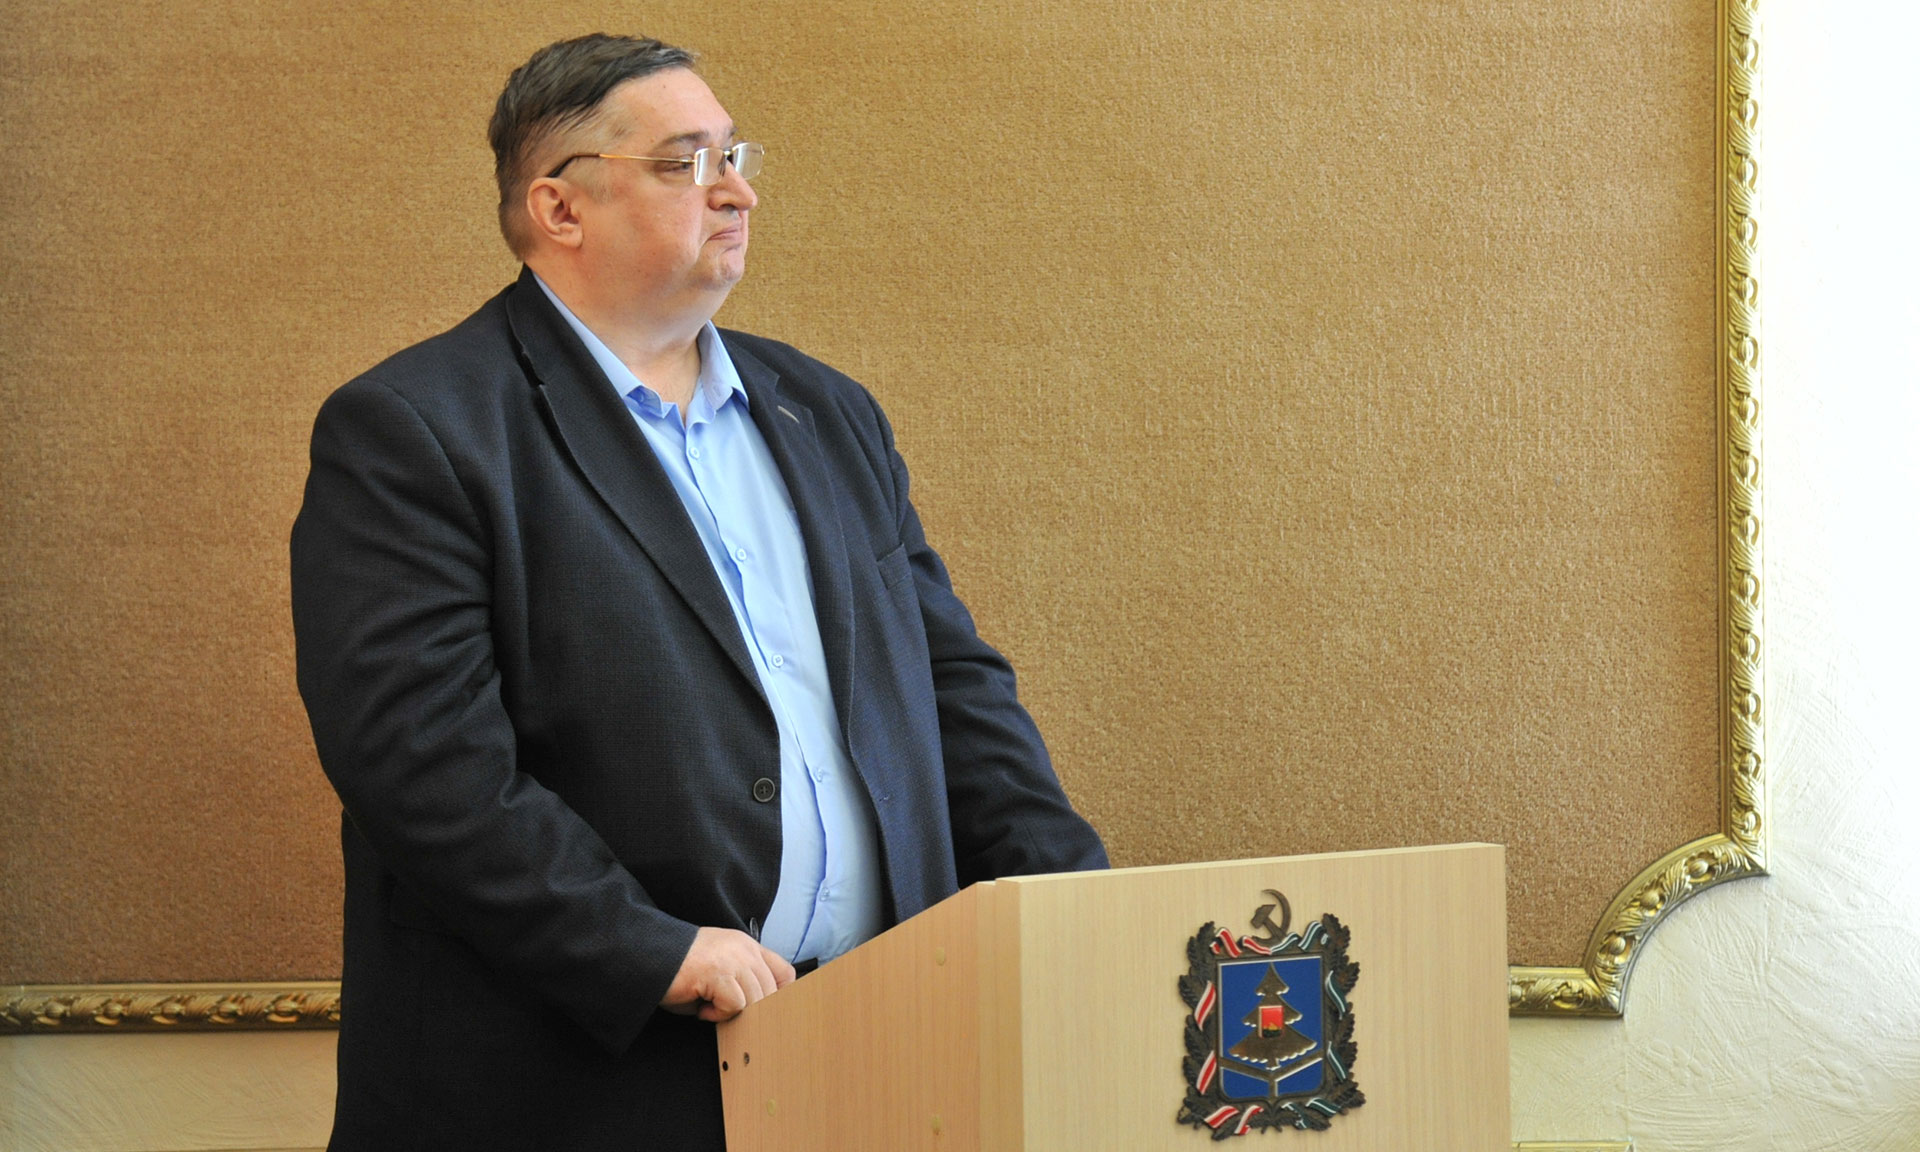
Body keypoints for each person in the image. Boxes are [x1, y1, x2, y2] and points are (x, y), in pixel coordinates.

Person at [289, 32, 1108, 1151]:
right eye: (687, 164)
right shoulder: (416, 430)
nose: (737, 191)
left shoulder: (828, 411)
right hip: (583, 1080)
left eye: (736, 156)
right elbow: (419, 760)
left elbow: (950, 687)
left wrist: (1072, 901)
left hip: (876, 1049)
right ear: (560, 208)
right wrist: (649, 948)